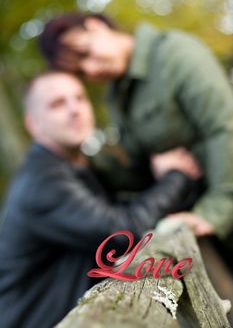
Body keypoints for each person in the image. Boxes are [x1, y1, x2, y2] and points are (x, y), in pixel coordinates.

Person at [0, 71, 202, 328]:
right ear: (33, 124)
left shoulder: (73, 166)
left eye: (80, 98)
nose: (75, 109)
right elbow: (121, 231)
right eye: (58, 104)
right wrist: (177, 175)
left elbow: (114, 213)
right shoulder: (42, 183)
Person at [39, 13, 233, 241]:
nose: (91, 70)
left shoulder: (174, 53)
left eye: (85, 53)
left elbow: (223, 127)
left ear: (96, 26)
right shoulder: (116, 96)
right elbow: (138, 168)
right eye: (81, 71)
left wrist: (215, 211)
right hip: (200, 218)